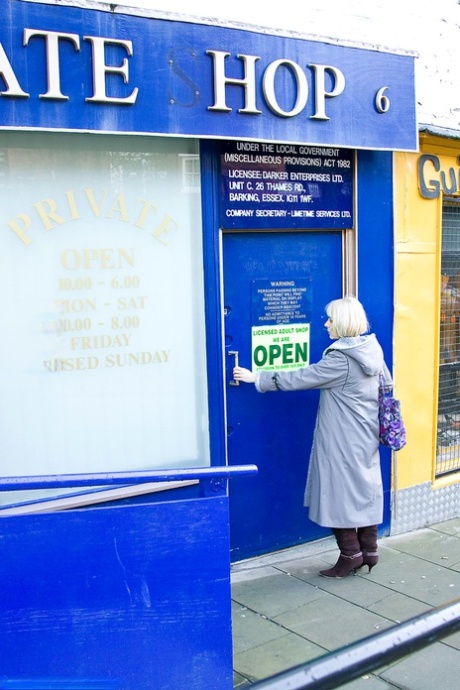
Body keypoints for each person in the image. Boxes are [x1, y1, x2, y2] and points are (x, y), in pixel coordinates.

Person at [233, 295, 391, 579]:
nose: (326, 324)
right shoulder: (371, 349)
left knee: (337, 495)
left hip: (342, 438)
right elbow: (387, 386)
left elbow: (301, 377)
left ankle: (350, 555)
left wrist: (257, 377)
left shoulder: (342, 359)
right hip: (366, 434)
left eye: (330, 319)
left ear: (342, 323)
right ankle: (369, 550)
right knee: (364, 491)